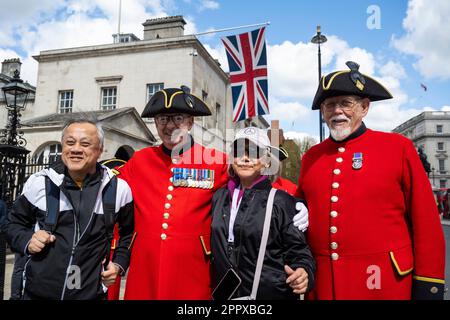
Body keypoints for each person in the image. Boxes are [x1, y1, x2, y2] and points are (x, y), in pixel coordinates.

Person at [118, 86, 309, 300]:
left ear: (190, 123)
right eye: (162, 118)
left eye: (178, 118)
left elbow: (252, 185)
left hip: (193, 268)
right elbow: (108, 187)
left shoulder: (215, 160)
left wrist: (295, 205)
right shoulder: (140, 160)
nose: (170, 125)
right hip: (147, 265)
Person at [295, 61, 446, 300]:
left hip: (385, 284)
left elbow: (426, 222)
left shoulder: (398, 148)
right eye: (329, 105)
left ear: (364, 107)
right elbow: (298, 220)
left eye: (346, 103)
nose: (337, 111)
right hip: (325, 286)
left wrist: (429, 284)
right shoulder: (311, 157)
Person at [6, 117, 134, 300]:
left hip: (92, 294)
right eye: (70, 142)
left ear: (100, 149)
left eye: (85, 144)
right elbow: (12, 224)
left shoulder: (118, 189)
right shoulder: (39, 183)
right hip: (38, 294)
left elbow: (129, 233)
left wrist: (119, 264)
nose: (75, 149)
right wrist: (27, 240)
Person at [211, 127, 315, 299]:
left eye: (253, 152)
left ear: (267, 161)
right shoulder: (219, 197)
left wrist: (304, 272)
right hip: (226, 295)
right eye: (238, 151)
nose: (245, 158)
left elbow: (300, 253)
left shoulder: (282, 202)